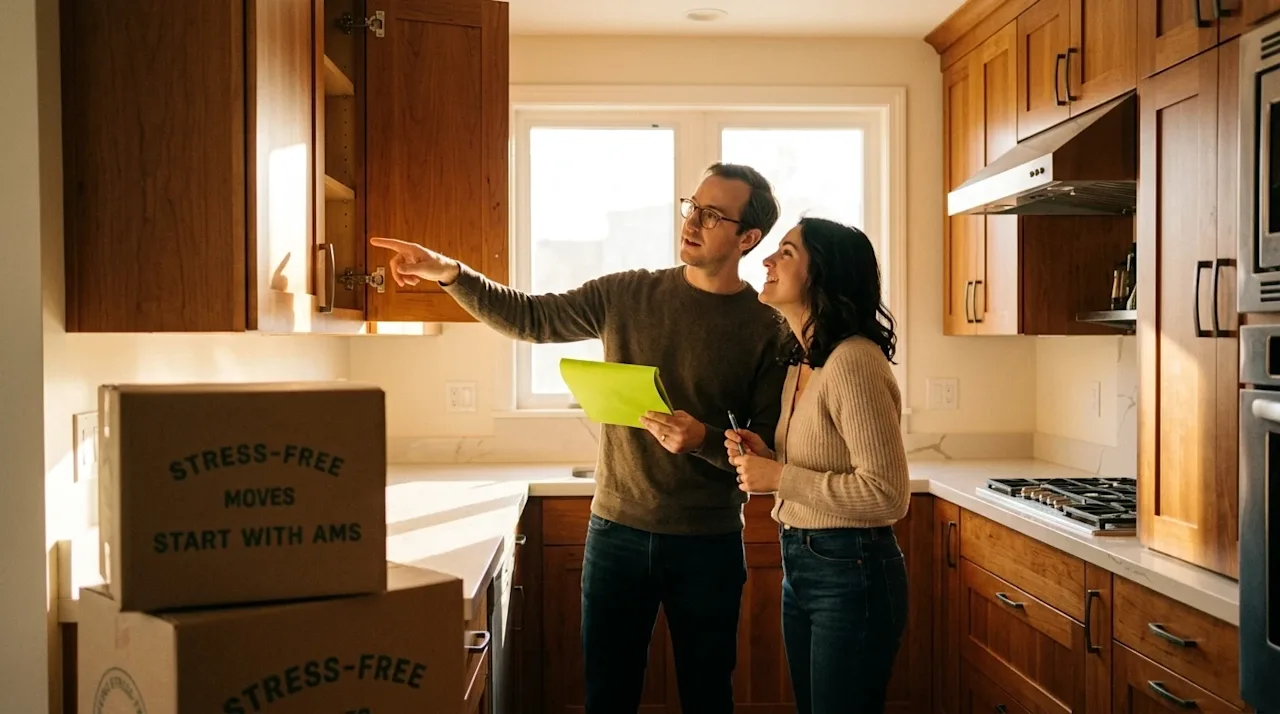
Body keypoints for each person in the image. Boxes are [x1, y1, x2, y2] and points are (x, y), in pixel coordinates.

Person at [369, 163, 788, 714]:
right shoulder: (628, 294)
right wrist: (449, 273)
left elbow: (765, 449)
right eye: (692, 206)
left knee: (708, 694)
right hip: (616, 533)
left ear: (747, 238)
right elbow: (531, 319)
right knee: (606, 697)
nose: (692, 221)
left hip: (707, 543)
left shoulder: (768, 326)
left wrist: (705, 439)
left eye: (713, 215)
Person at [723, 217, 910, 714]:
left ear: (820, 273)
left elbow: (888, 494)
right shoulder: (805, 363)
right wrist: (769, 459)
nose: (766, 259)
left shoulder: (854, 362)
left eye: (785, 251)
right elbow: (825, 460)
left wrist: (780, 478)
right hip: (804, 564)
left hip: (852, 570)